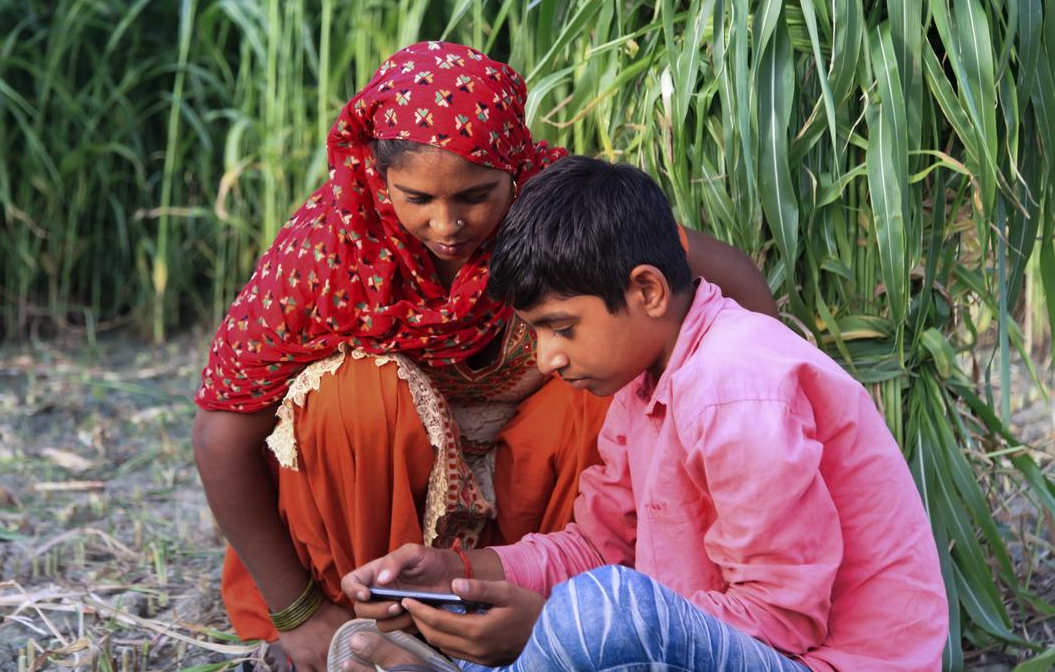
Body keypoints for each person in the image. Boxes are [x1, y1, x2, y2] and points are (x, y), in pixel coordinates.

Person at [192, 42, 778, 672]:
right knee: (351, 399)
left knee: (604, 386)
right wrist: (299, 613)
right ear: (376, 172)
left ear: (516, 169)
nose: (447, 226)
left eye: (475, 196)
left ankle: (530, 621)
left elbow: (727, 278)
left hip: (531, 517)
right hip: (376, 498)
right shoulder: (326, 252)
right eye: (416, 198)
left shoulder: (557, 204)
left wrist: (756, 392)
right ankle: (372, 629)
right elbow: (220, 435)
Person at [338, 156, 948, 671]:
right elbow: (597, 547)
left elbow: (781, 620)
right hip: (737, 640)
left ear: (648, 291)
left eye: (562, 328)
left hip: (822, 659)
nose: (548, 359)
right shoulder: (643, 382)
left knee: (606, 605)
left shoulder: (732, 384)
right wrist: (453, 573)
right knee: (596, 602)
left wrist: (546, 626)